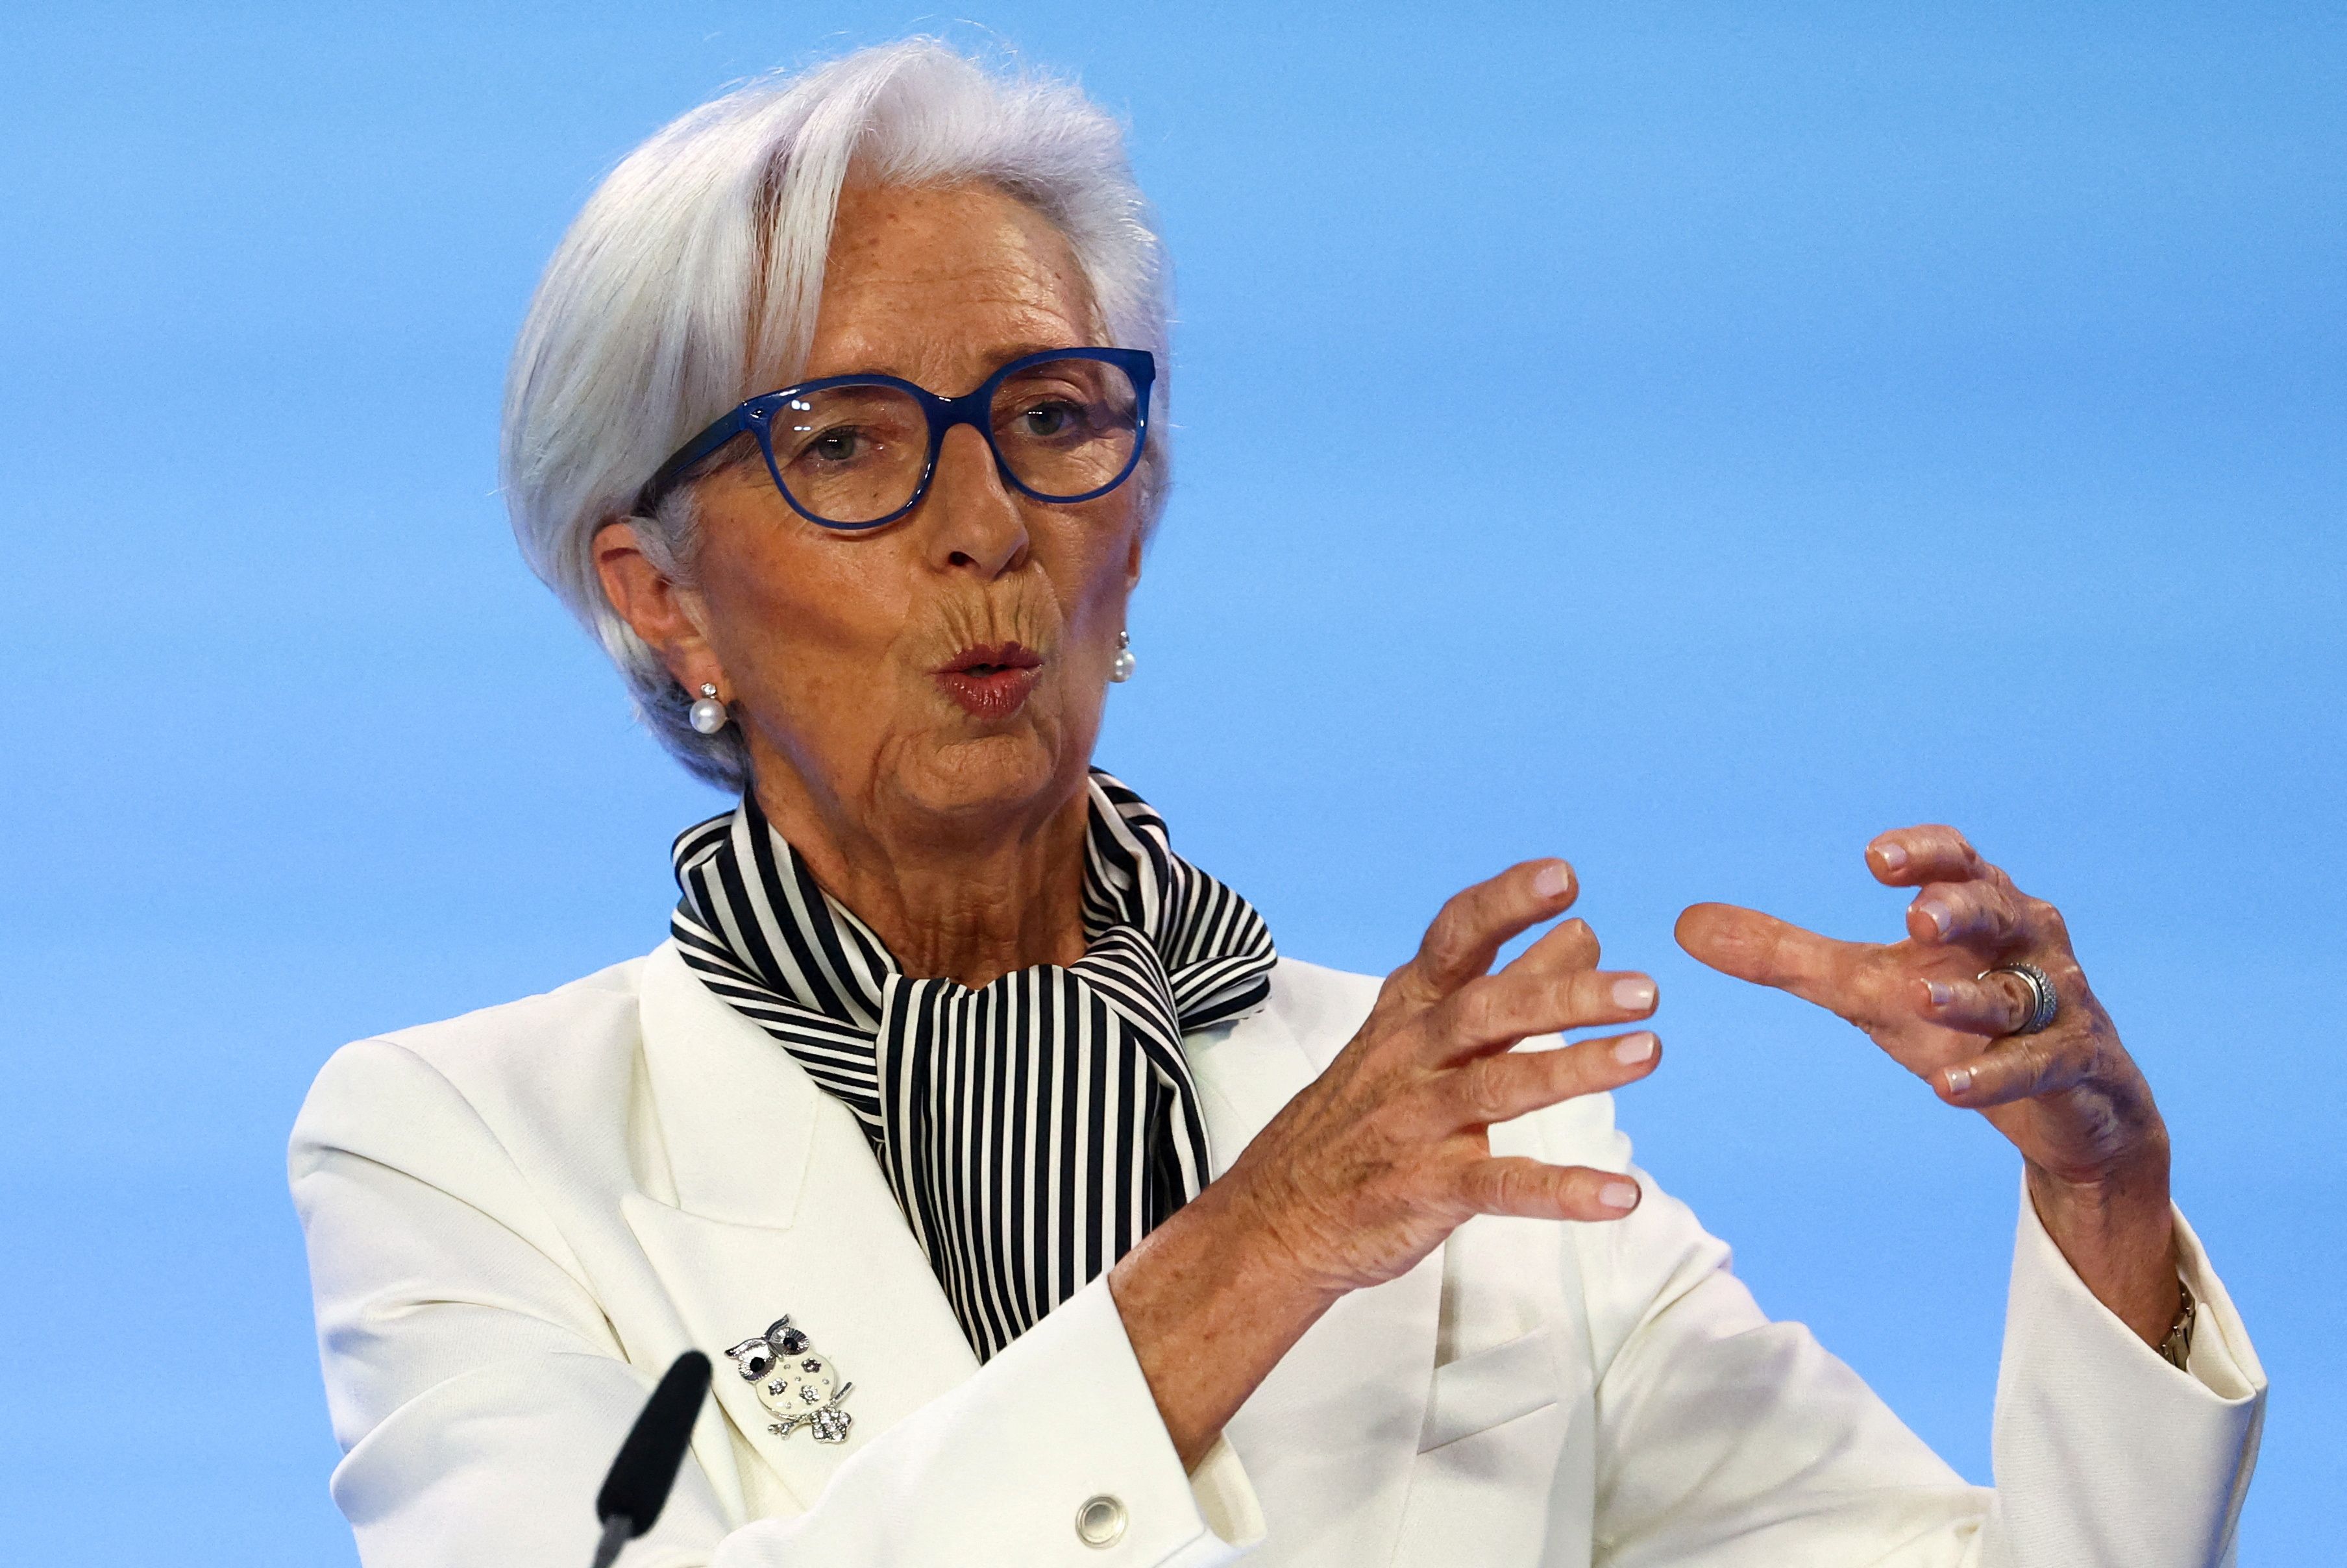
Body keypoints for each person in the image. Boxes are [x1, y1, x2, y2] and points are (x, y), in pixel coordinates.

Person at [289, 39, 2265, 1568]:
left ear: (1138, 524)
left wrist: (2106, 1213)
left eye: (1056, 418)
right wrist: (1253, 1254)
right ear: (657, 594)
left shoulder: (1467, 1126)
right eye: (848, 444)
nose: (987, 528)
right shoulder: (467, 1144)